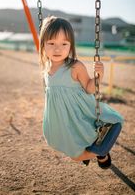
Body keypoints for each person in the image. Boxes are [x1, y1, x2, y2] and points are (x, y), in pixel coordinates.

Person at [39, 16, 124, 169]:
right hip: (60, 118)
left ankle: (101, 151)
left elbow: (89, 88)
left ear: (70, 45)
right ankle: (97, 150)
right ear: (43, 44)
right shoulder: (46, 67)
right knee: (63, 143)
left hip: (79, 112)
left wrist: (99, 76)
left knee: (76, 156)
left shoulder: (75, 66)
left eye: (64, 44)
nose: (57, 49)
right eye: (51, 43)